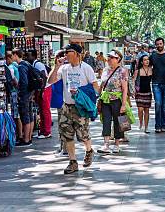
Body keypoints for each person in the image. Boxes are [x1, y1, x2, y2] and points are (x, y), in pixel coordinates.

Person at [48, 43, 99, 174]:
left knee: (83, 135)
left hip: (80, 107)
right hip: (66, 107)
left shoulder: (86, 68)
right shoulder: (64, 68)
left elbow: (95, 88)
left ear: (76, 53)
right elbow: (50, 81)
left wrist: (82, 94)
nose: (65, 55)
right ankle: (73, 162)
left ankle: (89, 150)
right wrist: (56, 66)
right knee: (67, 136)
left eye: (68, 52)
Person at [98, 50, 128, 154]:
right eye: (108, 57)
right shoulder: (105, 70)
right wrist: (98, 97)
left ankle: (117, 144)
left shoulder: (122, 71)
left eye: (111, 57)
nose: (109, 59)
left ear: (118, 59)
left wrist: (123, 104)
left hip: (117, 100)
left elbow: (125, 89)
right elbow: (102, 85)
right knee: (106, 121)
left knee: (118, 121)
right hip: (105, 99)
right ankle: (106, 144)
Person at [27, 49, 52, 139]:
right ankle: (42, 131)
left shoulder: (38, 64)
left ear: (33, 56)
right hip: (42, 89)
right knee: (41, 111)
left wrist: (42, 91)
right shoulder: (34, 64)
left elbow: (44, 76)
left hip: (45, 89)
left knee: (45, 111)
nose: (27, 57)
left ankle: (47, 132)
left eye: (29, 55)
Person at [13, 49, 35, 147]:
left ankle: (26, 139)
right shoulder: (27, 64)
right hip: (30, 93)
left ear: (15, 55)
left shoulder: (21, 67)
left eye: (12, 55)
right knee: (30, 116)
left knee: (25, 117)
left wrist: (20, 93)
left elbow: (24, 82)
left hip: (25, 95)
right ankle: (29, 138)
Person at [4, 52, 21, 141]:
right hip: (17, 92)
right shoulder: (16, 66)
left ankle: (19, 135)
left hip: (14, 92)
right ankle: (20, 134)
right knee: (17, 114)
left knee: (16, 115)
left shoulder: (10, 68)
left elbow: (15, 81)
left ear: (9, 58)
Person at [134, 55, 153, 133]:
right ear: (142, 62)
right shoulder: (137, 71)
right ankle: (141, 122)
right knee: (140, 109)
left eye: (148, 59)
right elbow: (134, 81)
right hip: (139, 92)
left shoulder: (151, 70)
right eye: (145, 60)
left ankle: (146, 126)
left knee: (147, 110)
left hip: (148, 92)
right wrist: (134, 91)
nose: (147, 61)